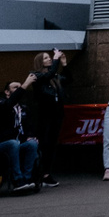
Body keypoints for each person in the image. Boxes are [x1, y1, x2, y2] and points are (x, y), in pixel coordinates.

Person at [0, 81, 41, 193]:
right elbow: (8, 105)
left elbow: (29, 126)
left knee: (32, 144)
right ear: (7, 92)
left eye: (20, 87)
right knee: (13, 143)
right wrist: (25, 85)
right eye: (15, 87)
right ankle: (17, 180)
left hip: (18, 142)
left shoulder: (23, 108)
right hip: (0, 143)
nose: (19, 89)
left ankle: (27, 178)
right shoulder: (1, 104)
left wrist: (30, 136)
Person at [26, 50, 68, 185]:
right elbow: (47, 75)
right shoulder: (36, 75)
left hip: (56, 114)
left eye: (50, 57)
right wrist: (56, 59)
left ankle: (46, 174)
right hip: (43, 116)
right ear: (40, 62)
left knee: (51, 145)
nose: (49, 59)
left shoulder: (54, 76)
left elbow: (68, 80)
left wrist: (64, 64)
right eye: (46, 58)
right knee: (43, 144)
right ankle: (36, 173)